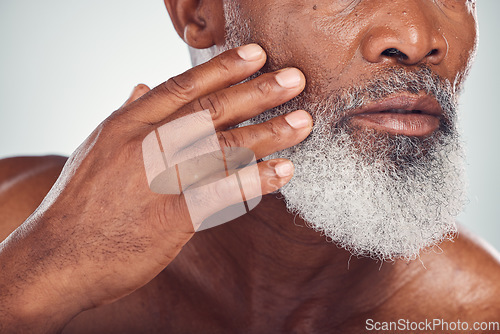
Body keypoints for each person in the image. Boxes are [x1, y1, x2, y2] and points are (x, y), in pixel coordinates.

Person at [1, 0, 499, 333]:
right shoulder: (13, 231)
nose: (418, 38)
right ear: (200, 12)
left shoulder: (482, 314)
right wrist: (37, 279)